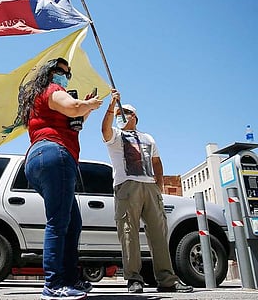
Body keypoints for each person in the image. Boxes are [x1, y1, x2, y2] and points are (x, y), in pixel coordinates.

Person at [18, 57, 102, 300]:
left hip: (39, 159)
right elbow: (73, 108)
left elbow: (75, 116)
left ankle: (70, 279)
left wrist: (85, 106)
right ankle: (53, 284)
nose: (65, 76)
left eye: (67, 73)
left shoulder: (39, 100)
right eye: (61, 71)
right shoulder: (52, 90)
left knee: (71, 222)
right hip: (55, 154)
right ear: (50, 73)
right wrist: (89, 104)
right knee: (58, 222)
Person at [101, 89, 193, 293]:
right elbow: (104, 129)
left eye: (123, 113)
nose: (119, 116)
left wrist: (158, 185)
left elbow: (156, 161)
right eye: (117, 114)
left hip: (150, 187)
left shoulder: (147, 138)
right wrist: (111, 105)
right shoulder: (116, 136)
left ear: (134, 116)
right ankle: (134, 278)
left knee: (159, 233)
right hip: (127, 186)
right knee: (128, 233)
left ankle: (167, 279)